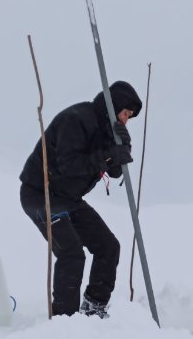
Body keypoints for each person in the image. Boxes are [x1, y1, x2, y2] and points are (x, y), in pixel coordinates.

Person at [19, 81, 141, 318]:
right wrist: (108, 155)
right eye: (125, 113)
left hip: (68, 198)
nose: (126, 119)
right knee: (72, 253)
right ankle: (65, 319)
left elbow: (115, 171)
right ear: (114, 106)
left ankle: (93, 308)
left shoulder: (109, 129)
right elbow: (69, 166)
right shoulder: (76, 119)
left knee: (108, 246)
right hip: (40, 193)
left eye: (130, 117)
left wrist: (122, 146)